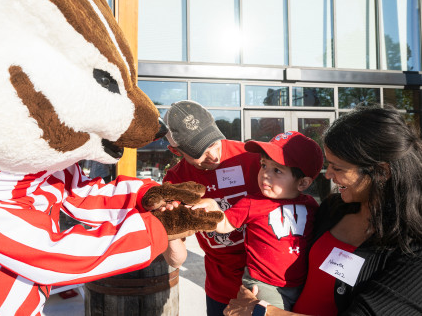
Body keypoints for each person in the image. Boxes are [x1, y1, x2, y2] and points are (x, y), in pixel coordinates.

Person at [223, 105, 422, 316]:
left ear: (382, 172)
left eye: (338, 168)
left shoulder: (413, 249)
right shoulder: (333, 208)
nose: (328, 175)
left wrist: (262, 312)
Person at [162, 100, 262, 316]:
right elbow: (175, 259)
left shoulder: (251, 156)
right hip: (220, 290)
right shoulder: (175, 181)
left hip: (265, 284)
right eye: (200, 151)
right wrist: (167, 225)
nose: (214, 156)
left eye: (214, 143)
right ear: (175, 150)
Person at [212, 131, 323, 311]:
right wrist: (208, 211)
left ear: (303, 184)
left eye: (277, 170)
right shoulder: (252, 202)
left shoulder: (311, 205)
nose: (265, 174)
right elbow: (224, 224)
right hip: (263, 284)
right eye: (263, 165)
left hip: (301, 284)